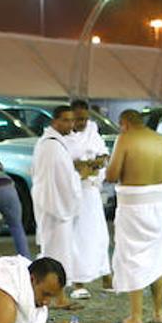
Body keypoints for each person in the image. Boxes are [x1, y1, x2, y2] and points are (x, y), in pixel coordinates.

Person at [105, 110, 162, 323]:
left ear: (124, 123)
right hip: (159, 203)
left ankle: (135, 316)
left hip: (133, 205)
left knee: (133, 256)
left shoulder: (125, 138)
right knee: (159, 255)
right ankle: (158, 313)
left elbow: (112, 175)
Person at [30, 106, 82, 309]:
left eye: (72, 120)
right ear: (55, 122)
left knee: (59, 252)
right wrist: (76, 185)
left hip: (55, 205)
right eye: (66, 120)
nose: (71, 125)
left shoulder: (54, 144)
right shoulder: (51, 146)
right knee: (56, 254)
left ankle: (55, 296)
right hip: (55, 207)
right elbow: (60, 180)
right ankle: (55, 297)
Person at [63, 100, 111, 300]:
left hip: (91, 192)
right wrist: (84, 165)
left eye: (84, 118)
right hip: (73, 193)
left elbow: (103, 156)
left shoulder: (93, 132)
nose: (82, 123)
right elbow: (67, 164)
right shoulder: (63, 137)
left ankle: (106, 276)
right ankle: (78, 282)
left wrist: (95, 163)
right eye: (78, 119)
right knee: (77, 238)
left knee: (99, 235)